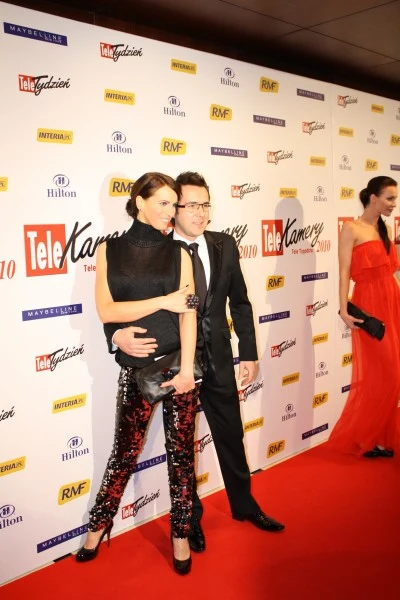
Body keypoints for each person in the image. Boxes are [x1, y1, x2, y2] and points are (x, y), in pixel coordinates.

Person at [108, 171, 285, 554]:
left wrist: (249, 352)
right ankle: (190, 523)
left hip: (218, 358)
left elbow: (240, 302)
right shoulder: (158, 249)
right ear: (174, 209)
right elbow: (125, 299)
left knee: (231, 434)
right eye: (191, 205)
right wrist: (115, 335)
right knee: (182, 450)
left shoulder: (225, 244)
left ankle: (245, 504)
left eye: (206, 205)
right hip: (176, 362)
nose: (201, 213)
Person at [76, 172, 199, 575]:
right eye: (163, 202)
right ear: (139, 201)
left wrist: (187, 369)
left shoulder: (180, 253)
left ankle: (180, 533)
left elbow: (188, 314)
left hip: (177, 367)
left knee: (181, 457)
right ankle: (98, 526)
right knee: (124, 454)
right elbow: (107, 311)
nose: (171, 211)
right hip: (136, 370)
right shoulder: (109, 250)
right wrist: (158, 304)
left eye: (174, 204)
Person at [330, 175, 399, 457]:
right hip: (369, 304)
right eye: (390, 198)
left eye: (395, 199)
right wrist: (343, 309)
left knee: (387, 374)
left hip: (391, 301)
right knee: (386, 372)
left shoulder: (385, 228)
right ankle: (366, 435)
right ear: (373, 198)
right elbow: (344, 271)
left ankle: (378, 439)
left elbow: (390, 271)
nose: (394, 204)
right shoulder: (351, 228)